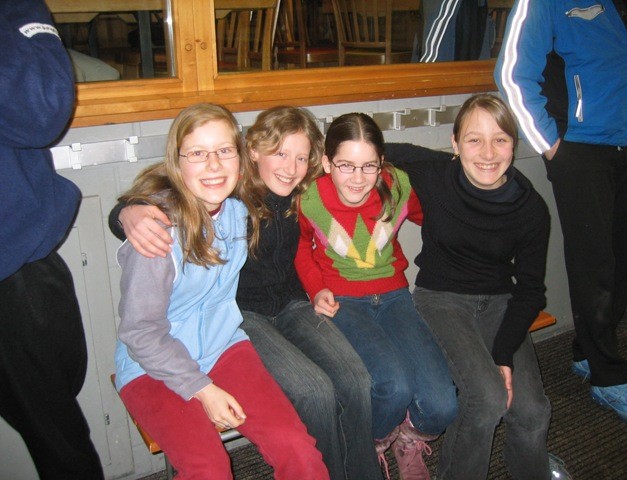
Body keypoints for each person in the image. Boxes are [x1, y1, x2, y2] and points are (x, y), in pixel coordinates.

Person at [109, 106, 381, 480]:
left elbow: (347, 166)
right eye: (198, 153)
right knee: (213, 467)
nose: (214, 164)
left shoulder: (240, 206)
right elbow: (141, 332)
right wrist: (129, 211)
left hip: (226, 341)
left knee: (314, 431)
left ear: (238, 158)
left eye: (224, 151)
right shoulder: (165, 230)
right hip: (157, 360)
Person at [385, 93, 565, 479]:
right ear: (455, 144)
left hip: (500, 302)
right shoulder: (434, 173)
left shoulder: (530, 208)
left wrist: (503, 354)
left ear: (514, 145)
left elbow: (530, 289)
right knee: (486, 399)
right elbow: (369, 145)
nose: (487, 152)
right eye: (474, 139)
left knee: (533, 411)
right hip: (441, 298)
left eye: (500, 139)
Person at [495, 0, 627, 427]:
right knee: (594, 266)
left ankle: (587, 351)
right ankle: (608, 376)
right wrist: (552, 148)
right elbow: (511, 74)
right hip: (581, 150)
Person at [295, 112, 458, 480]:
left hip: (394, 296)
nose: (357, 178)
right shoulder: (311, 198)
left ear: (382, 163)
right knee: (393, 385)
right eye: (346, 166)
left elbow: (438, 219)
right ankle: (371, 443)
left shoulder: (398, 185)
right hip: (342, 302)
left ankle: (408, 437)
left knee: (442, 404)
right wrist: (316, 288)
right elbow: (301, 246)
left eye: (369, 166)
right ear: (326, 163)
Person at [0, 1, 104, 478]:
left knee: (56, 420)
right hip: (14, 259)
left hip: (16, 257)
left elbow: (39, 108)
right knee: (58, 438)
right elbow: (41, 108)